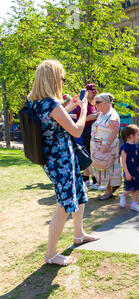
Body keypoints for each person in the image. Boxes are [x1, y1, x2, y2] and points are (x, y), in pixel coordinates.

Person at [29, 59, 98, 266]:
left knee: (79, 194)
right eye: (62, 77)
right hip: (60, 160)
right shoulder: (51, 104)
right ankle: (50, 254)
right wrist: (83, 109)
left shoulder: (38, 102)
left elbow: (53, 120)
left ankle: (78, 234)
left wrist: (70, 106)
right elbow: (76, 130)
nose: (63, 81)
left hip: (57, 157)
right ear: (52, 79)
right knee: (63, 204)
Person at [91, 93, 122, 200]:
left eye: (97, 102)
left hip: (106, 149)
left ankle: (108, 191)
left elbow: (114, 131)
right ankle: (110, 188)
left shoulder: (112, 115)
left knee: (106, 168)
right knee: (102, 168)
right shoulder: (102, 114)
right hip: (99, 148)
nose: (95, 105)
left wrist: (107, 145)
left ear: (105, 103)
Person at [74, 84, 100, 188]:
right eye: (92, 92)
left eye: (95, 92)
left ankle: (85, 178)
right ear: (87, 91)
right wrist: (97, 115)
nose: (94, 94)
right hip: (85, 132)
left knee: (88, 155)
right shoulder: (83, 104)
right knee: (89, 156)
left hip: (93, 131)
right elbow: (83, 118)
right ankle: (94, 180)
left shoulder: (93, 104)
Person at [119, 124, 139, 212]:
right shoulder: (125, 147)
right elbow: (123, 161)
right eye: (138, 134)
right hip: (130, 171)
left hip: (137, 171)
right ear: (131, 136)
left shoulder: (138, 146)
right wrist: (126, 173)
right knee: (130, 188)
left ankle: (134, 204)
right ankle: (123, 195)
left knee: (137, 187)